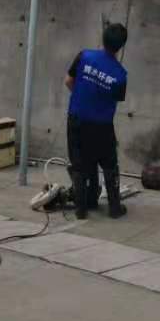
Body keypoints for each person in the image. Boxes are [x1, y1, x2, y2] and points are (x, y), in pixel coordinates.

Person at [64, 23, 129, 219]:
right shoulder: (120, 75)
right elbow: (114, 98)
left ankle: (81, 209)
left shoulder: (84, 56)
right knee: (109, 165)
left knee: (79, 164)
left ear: (103, 38)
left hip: (77, 119)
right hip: (102, 126)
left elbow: (68, 81)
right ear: (121, 46)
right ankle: (114, 208)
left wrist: (82, 97)